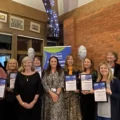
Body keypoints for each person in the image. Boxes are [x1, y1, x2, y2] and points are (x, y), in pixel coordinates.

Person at [42, 56, 65, 120]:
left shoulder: (61, 71)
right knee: (49, 115)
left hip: (58, 96)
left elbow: (61, 83)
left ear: (57, 62)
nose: (53, 63)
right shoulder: (46, 72)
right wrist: (51, 93)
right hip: (48, 96)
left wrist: (56, 95)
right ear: (49, 62)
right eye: (52, 61)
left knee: (57, 115)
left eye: (55, 61)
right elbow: (44, 83)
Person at [64, 54, 82, 120]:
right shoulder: (63, 71)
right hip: (65, 95)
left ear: (73, 61)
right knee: (66, 111)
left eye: (71, 59)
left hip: (74, 95)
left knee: (74, 112)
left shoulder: (78, 71)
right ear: (66, 61)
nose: (70, 60)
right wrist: (64, 88)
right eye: (69, 59)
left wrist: (78, 89)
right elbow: (61, 81)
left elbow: (80, 82)